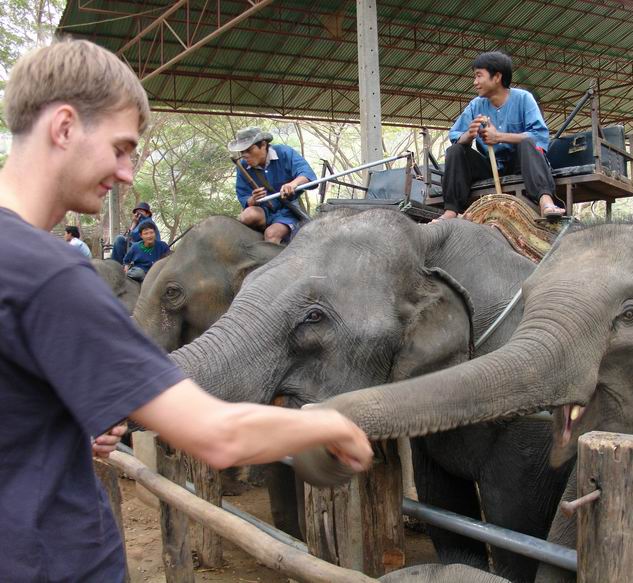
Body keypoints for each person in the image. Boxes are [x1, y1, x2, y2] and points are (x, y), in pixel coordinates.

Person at [0, 39, 372, 582]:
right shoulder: (51, 274)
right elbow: (218, 435)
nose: (127, 174)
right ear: (63, 127)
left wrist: (61, 430)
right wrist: (330, 423)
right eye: (121, 147)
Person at [438, 51, 565, 220]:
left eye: (478, 76)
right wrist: (470, 134)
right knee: (455, 150)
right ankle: (451, 210)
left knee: (528, 142)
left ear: (497, 77)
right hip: (490, 166)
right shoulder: (476, 105)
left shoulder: (523, 98)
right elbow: (455, 135)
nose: (475, 82)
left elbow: (538, 136)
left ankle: (545, 200)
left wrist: (498, 137)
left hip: (521, 164)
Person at [228, 127, 316, 244]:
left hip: (287, 211)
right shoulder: (243, 166)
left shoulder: (285, 153)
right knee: (246, 216)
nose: (245, 155)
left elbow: (307, 175)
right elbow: (244, 197)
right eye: (242, 152)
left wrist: (293, 184)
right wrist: (253, 200)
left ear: (263, 145)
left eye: (249, 150)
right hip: (264, 210)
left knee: (271, 234)